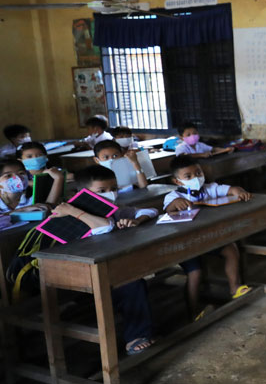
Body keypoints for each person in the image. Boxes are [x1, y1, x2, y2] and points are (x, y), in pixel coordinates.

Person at [49, 165, 156, 355]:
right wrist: (74, 211)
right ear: (82, 193)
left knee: (133, 277)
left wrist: (137, 220)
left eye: (113, 189)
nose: (110, 194)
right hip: (78, 280)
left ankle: (139, 329)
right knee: (132, 283)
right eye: (102, 191)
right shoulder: (67, 216)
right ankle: (135, 336)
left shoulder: (112, 210)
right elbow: (104, 228)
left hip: (106, 272)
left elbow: (150, 211)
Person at [163, 155, 252, 316]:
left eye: (198, 173)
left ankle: (235, 288)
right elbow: (169, 210)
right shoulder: (174, 197)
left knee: (231, 249)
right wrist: (174, 206)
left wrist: (238, 190)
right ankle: (194, 312)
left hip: (207, 239)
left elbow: (230, 189)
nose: (196, 178)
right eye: (188, 176)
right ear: (177, 181)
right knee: (195, 272)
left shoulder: (210, 188)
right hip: (185, 244)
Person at [16, 142, 65, 206]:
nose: (35, 159)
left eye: (39, 155)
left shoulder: (54, 171)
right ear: (20, 160)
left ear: (46, 157)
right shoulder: (19, 178)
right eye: (29, 156)